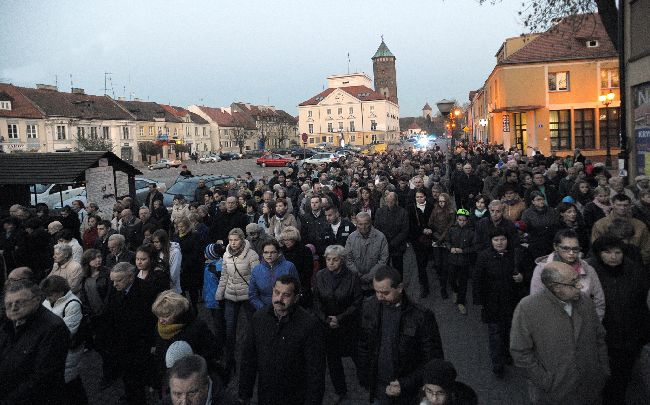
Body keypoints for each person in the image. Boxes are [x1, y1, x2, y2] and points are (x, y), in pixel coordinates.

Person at [510, 262, 610, 405]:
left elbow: (599, 337)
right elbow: (520, 353)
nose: (580, 286)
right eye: (574, 283)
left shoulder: (585, 302)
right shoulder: (527, 308)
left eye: (578, 280)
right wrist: (546, 382)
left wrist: (603, 370)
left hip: (590, 389)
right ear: (556, 287)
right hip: (554, 395)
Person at [357, 265, 444, 404]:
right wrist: (364, 375)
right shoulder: (369, 307)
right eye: (376, 292)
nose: (380, 297)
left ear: (399, 288)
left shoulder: (421, 316)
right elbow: (363, 343)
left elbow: (433, 360)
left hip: (409, 392)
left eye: (385, 293)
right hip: (379, 387)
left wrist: (405, 384)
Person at [238, 275, 326, 405]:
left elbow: (315, 371)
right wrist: (244, 393)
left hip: (296, 397)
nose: (279, 299)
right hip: (266, 395)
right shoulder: (259, 319)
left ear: (296, 298)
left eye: (286, 295)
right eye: (277, 292)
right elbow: (249, 359)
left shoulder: (309, 325)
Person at [586, 236, 650, 404]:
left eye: (617, 252)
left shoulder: (634, 271)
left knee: (622, 376)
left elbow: (642, 305)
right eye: (607, 252)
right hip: (601, 335)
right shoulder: (589, 271)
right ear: (599, 254)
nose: (613, 257)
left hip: (629, 336)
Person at [0, 280, 70, 404]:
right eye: (8, 304)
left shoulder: (53, 328)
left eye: (19, 302)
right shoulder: (9, 321)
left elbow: (42, 380)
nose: (13, 308)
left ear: (37, 300)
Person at [100, 262, 157, 404]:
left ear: (130, 277)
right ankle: (130, 394)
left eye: (118, 280)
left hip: (139, 343)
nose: (114, 285)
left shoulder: (146, 290)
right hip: (121, 341)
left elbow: (151, 319)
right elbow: (109, 310)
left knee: (137, 375)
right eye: (113, 280)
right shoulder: (116, 287)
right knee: (126, 373)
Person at [312, 245, 363, 402]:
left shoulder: (353, 277)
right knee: (333, 361)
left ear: (342, 260)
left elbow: (357, 302)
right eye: (328, 259)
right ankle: (340, 390)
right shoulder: (320, 275)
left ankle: (366, 380)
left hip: (348, 325)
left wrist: (339, 318)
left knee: (358, 355)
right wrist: (327, 320)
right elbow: (317, 302)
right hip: (328, 326)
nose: (331, 262)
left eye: (335, 259)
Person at [473, 228, 525, 377]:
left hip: (511, 302)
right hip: (492, 304)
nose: (500, 242)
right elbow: (477, 280)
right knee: (495, 335)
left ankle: (507, 355)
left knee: (509, 332)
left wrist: (522, 277)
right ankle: (497, 365)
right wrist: (480, 301)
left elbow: (524, 272)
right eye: (496, 240)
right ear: (491, 241)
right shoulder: (484, 257)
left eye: (502, 239)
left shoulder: (514, 255)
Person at [151, 290, 219, 393]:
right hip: (168, 379)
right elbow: (160, 354)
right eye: (158, 316)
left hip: (192, 379)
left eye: (165, 316)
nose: (161, 320)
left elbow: (212, 350)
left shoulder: (197, 327)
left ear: (177, 312)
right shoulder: (161, 327)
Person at [216, 227, 259, 374]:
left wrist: (254, 294)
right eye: (231, 240)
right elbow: (224, 276)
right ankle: (230, 359)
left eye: (236, 240)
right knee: (229, 329)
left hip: (247, 295)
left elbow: (256, 276)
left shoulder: (251, 254)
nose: (233, 243)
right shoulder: (226, 254)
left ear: (242, 240)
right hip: (230, 294)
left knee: (253, 326)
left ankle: (255, 356)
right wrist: (219, 293)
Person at [40, 275, 88, 404]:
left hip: (68, 352)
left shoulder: (73, 304)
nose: (47, 297)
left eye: (50, 294)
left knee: (70, 382)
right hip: (55, 351)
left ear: (60, 292)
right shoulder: (48, 301)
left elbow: (67, 331)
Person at [592, 193, 650, 265]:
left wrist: (636, 264)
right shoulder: (600, 224)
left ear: (630, 206)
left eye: (625, 205)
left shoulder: (640, 225)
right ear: (612, 205)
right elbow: (596, 249)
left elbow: (647, 249)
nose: (622, 208)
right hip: (608, 266)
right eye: (619, 205)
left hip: (635, 265)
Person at [344, 212, 390, 295]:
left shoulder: (381, 237)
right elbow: (348, 259)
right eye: (360, 224)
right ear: (356, 224)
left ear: (370, 223)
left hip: (376, 283)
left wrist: (369, 276)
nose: (363, 227)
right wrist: (357, 274)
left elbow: (383, 260)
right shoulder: (351, 238)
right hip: (356, 282)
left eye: (366, 224)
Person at [249, 239, 299, 311]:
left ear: (278, 253)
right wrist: (263, 309)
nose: (269, 255)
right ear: (262, 253)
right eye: (266, 252)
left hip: (286, 308)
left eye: (272, 252)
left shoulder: (289, 266)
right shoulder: (256, 270)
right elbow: (253, 294)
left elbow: (296, 290)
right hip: (264, 309)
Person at [445, 209, 476, 315]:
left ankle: (461, 302)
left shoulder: (471, 232)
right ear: (457, 219)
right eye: (460, 220)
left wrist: (463, 250)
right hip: (452, 260)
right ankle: (455, 290)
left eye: (464, 220)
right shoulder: (451, 230)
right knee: (451, 279)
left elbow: (474, 247)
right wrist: (450, 248)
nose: (461, 222)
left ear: (467, 221)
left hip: (464, 261)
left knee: (463, 282)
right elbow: (447, 241)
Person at [374, 192, 410, 276]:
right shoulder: (380, 211)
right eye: (388, 201)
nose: (389, 203)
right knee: (384, 269)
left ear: (396, 201)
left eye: (392, 201)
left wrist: (392, 243)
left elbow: (404, 231)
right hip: (383, 245)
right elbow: (377, 227)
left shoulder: (403, 212)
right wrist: (384, 242)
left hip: (397, 246)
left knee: (398, 269)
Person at [279, 226, 315, 308]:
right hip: (283, 285)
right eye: (284, 240)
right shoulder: (281, 251)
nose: (286, 242)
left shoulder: (305, 250)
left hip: (301, 286)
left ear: (295, 239)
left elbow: (308, 271)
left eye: (289, 239)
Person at [428, 193, 456, 299]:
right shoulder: (435, 210)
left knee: (445, 265)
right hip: (436, 240)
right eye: (440, 201)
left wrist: (441, 239)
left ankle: (444, 287)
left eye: (443, 201)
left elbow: (450, 227)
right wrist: (436, 236)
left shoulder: (451, 211)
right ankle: (442, 282)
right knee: (438, 263)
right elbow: (430, 223)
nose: (441, 203)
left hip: (446, 241)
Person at [174, 216, 204, 312]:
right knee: (181, 289)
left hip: (191, 268)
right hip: (180, 267)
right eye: (178, 227)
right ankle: (185, 308)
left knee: (192, 290)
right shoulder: (176, 236)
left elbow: (196, 252)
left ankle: (194, 308)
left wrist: (187, 263)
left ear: (187, 226)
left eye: (182, 226)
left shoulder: (194, 236)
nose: (180, 229)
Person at [522, 191, 559, 260]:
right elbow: (526, 228)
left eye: (542, 199)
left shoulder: (552, 211)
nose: (541, 201)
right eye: (538, 200)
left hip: (550, 240)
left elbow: (556, 225)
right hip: (536, 242)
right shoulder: (527, 213)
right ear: (533, 201)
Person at [152, 229, 182, 294]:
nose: (155, 244)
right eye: (154, 242)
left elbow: (174, 273)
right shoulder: (157, 251)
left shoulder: (175, 252)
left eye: (157, 242)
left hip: (172, 289)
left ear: (163, 241)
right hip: (160, 287)